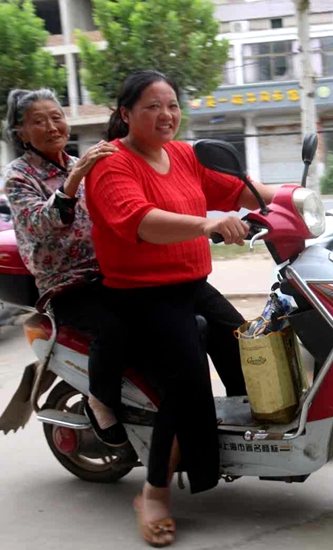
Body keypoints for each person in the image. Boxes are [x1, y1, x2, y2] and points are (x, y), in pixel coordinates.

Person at [85, 70, 276, 547]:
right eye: (152, 106)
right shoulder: (112, 164)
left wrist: (297, 201)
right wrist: (207, 224)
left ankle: (255, 446)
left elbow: (238, 192)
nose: (166, 115)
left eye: (171, 104)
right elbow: (142, 222)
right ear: (126, 113)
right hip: (140, 297)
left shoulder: (184, 154)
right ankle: (153, 492)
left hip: (192, 284)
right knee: (187, 383)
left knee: (252, 346)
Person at [2, 88, 128, 446]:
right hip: (66, 284)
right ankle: (99, 403)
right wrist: (76, 179)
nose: (51, 126)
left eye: (56, 116)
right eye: (38, 121)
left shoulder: (77, 164)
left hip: (108, 273)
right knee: (112, 330)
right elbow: (45, 221)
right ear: (21, 133)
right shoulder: (19, 175)